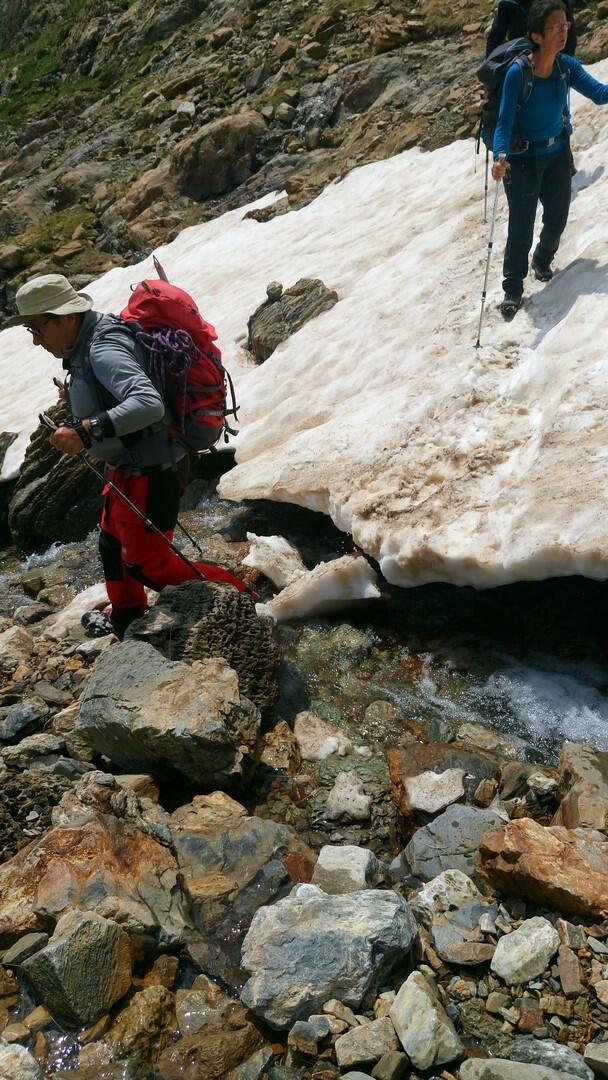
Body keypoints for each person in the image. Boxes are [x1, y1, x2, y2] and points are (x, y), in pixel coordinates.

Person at [7, 273, 248, 638]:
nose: (36, 340)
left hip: (152, 470)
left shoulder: (102, 348)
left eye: (37, 329)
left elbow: (148, 404)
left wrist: (86, 430)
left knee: (148, 565)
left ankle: (239, 595)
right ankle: (127, 616)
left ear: (66, 317)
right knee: (111, 544)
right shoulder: (86, 342)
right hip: (127, 465)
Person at [491, 0, 608, 320]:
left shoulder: (565, 66)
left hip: (557, 155)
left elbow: (599, 93)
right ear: (537, 36)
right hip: (522, 161)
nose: (564, 31)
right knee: (521, 226)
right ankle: (513, 288)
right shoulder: (518, 73)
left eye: (565, 25)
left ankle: (542, 259)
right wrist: (500, 156)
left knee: (557, 217)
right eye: (556, 27)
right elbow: (503, 123)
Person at [486, 0, 576, 56]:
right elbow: (495, 38)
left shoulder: (560, 2)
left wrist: (565, 62)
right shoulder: (508, 3)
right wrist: (490, 68)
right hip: (520, 59)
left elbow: (570, 33)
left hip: (556, 58)